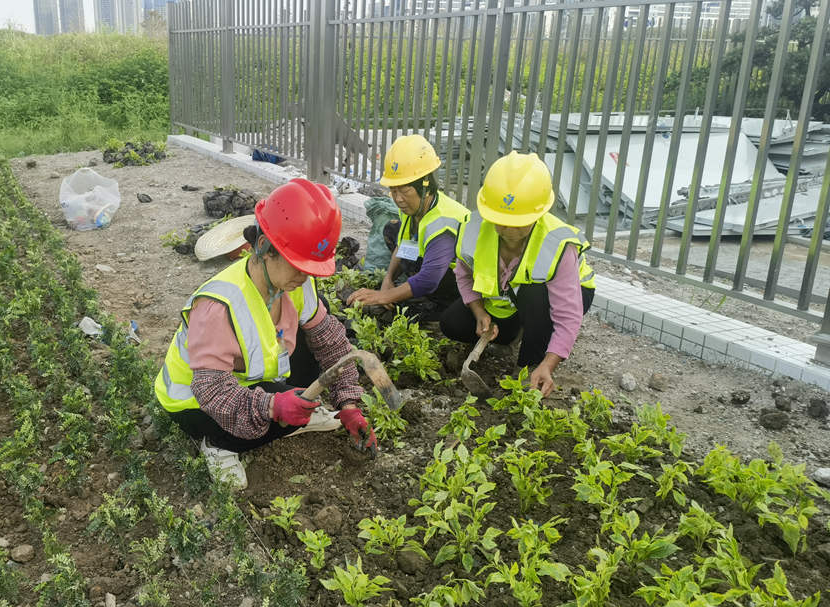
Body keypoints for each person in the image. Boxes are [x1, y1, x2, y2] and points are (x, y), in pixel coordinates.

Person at [154, 178, 377, 489]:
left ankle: (283, 408)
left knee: (316, 334)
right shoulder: (218, 305)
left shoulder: (296, 283)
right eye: (298, 265)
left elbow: (331, 344)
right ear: (263, 248)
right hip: (195, 401)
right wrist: (271, 406)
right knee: (278, 420)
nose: (305, 276)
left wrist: (348, 403)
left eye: (311, 267)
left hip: (242, 381)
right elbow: (213, 391)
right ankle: (219, 445)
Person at [440, 151, 596, 398]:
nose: (510, 229)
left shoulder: (557, 244)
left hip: (564, 294)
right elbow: (464, 276)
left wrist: (549, 363)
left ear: (538, 213)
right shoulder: (473, 229)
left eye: (519, 221)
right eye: (501, 220)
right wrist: (480, 312)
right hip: (509, 294)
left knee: (534, 295)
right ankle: (514, 332)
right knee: (453, 323)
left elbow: (568, 314)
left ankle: (529, 365)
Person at [346, 134, 467, 318]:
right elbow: (404, 244)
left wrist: (382, 296)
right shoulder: (413, 207)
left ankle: (439, 306)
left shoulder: (443, 222)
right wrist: (388, 279)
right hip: (433, 265)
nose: (398, 198)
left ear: (425, 185)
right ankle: (412, 289)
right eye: (393, 190)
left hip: (458, 283)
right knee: (391, 229)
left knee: (429, 285)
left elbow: (429, 279)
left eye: (405, 190)